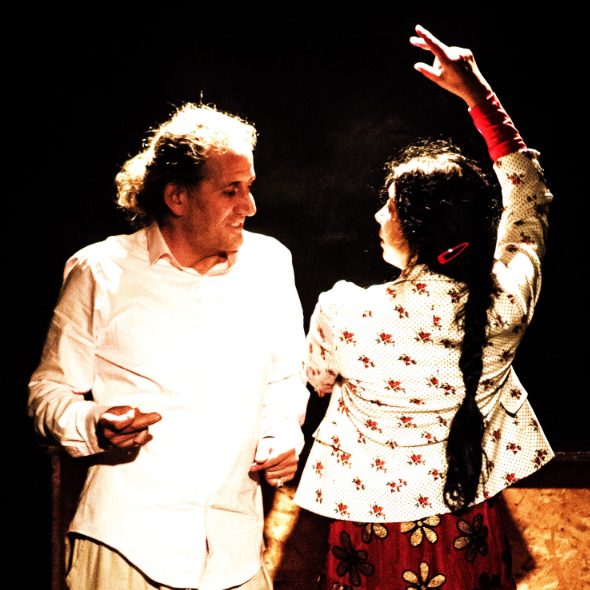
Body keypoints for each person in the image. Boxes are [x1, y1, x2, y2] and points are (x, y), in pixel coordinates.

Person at [295, 25, 553, 589]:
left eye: (388, 206)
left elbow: (317, 382)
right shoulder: (507, 302)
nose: (377, 216)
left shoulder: (345, 311)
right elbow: (528, 199)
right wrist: (480, 97)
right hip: (469, 521)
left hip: (371, 532)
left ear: (413, 226)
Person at [28, 103, 309, 590]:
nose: (249, 206)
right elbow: (48, 392)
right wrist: (95, 423)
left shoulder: (270, 264)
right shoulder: (101, 270)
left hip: (235, 553)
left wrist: (282, 433)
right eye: (231, 190)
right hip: (127, 547)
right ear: (177, 196)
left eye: (249, 187)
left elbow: (286, 379)